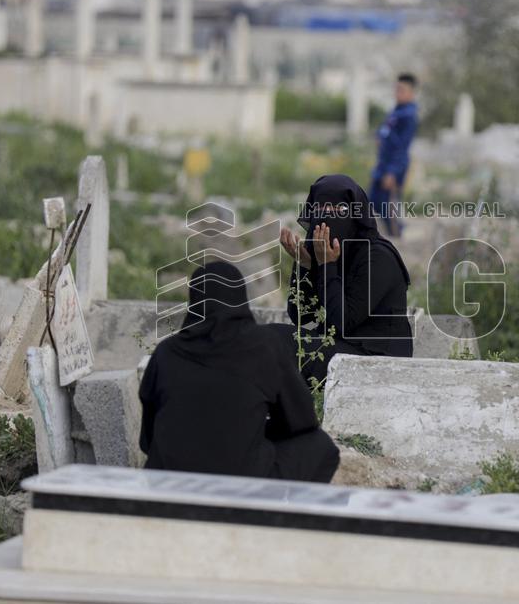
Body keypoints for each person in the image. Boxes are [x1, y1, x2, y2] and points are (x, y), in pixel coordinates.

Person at [139, 260, 339, 483]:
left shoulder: (166, 353)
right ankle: (281, 516)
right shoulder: (264, 348)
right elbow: (303, 421)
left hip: (168, 483)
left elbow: (147, 440)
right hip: (240, 486)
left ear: (194, 302)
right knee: (322, 448)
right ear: (240, 298)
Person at [278, 174, 413, 386]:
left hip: (376, 361)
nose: (328, 218)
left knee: (281, 342)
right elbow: (301, 317)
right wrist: (303, 266)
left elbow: (343, 322)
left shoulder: (376, 257)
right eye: (321, 210)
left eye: (339, 211)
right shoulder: (324, 250)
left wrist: (327, 266)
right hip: (339, 349)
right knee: (274, 338)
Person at [369, 73, 419, 237]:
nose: (397, 93)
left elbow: (401, 147)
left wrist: (392, 172)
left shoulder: (408, 116)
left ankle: (396, 239)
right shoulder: (396, 111)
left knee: (388, 207)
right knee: (372, 203)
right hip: (382, 165)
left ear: (412, 93)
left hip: (393, 167)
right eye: (396, 89)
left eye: (402, 90)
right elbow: (385, 133)